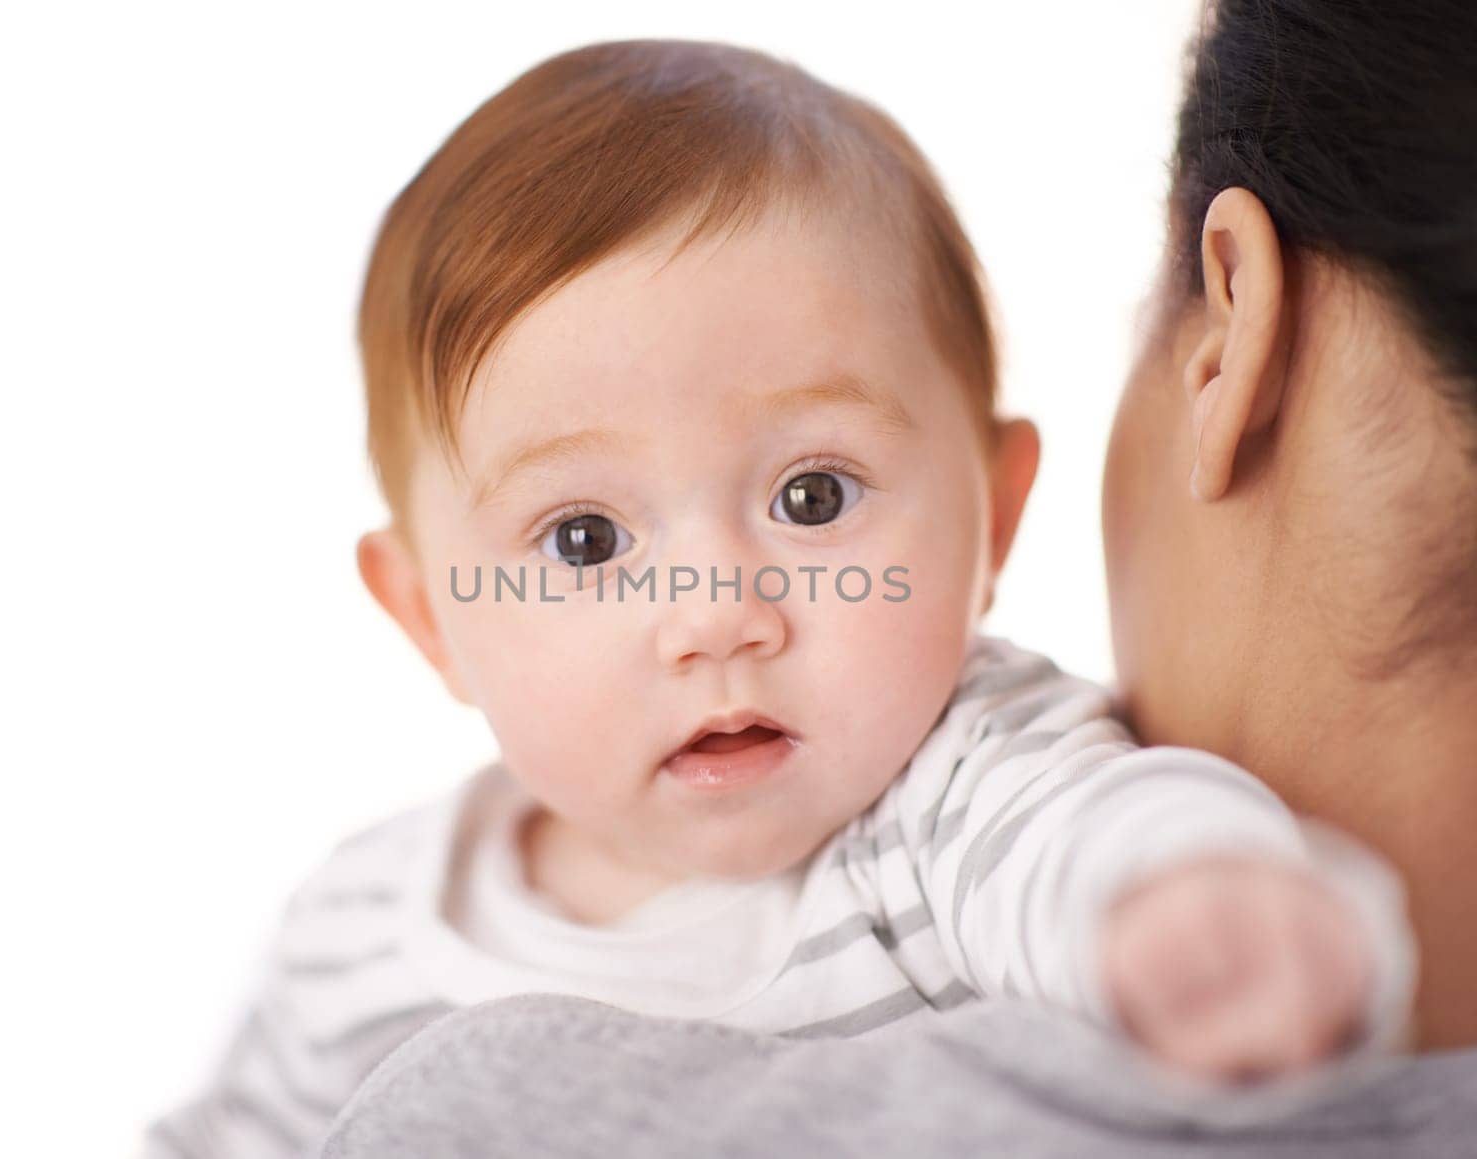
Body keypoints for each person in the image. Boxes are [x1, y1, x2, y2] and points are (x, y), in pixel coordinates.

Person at [145, 36, 1419, 1159]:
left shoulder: (939, 810)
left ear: (995, 516)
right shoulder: (358, 932)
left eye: (813, 498)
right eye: (584, 538)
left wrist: (1199, 900)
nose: (716, 614)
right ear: (429, 616)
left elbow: (1083, 832)